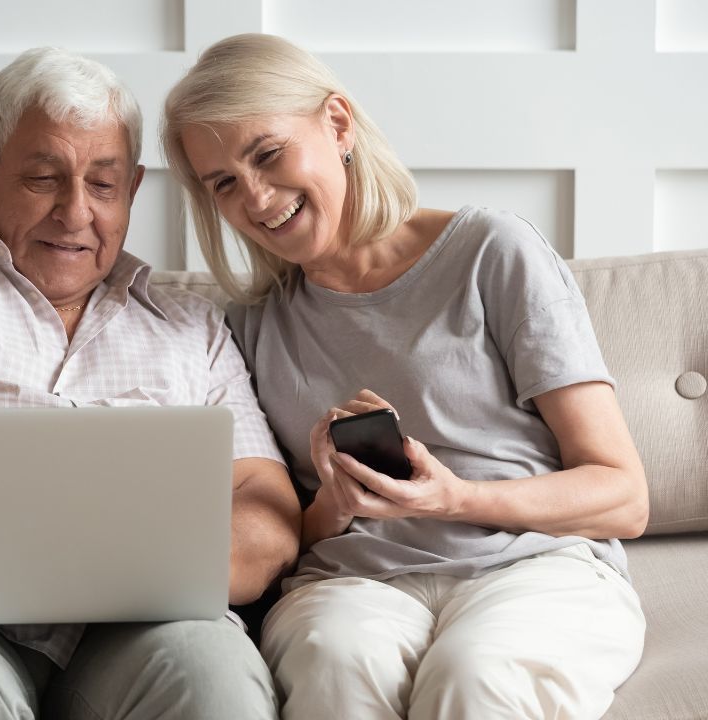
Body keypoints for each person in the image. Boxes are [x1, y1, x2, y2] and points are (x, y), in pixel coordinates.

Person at [161, 33, 648, 719]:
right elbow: (287, 534)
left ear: (337, 123)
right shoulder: (251, 327)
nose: (258, 198)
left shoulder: (490, 252)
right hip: (354, 584)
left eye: (267, 155)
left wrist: (453, 499)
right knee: (333, 659)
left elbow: (624, 496)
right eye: (225, 184)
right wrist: (335, 499)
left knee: (475, 673)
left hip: (532, 570)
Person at [0, 47, 302, 719]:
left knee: (214, 673)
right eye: (44, 177)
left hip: (139, 623)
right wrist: (126, 526)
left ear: (131, 189)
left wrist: (130, 565)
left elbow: (265, 513)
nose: (75, 212)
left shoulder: (193, 326)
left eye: (103, 184)